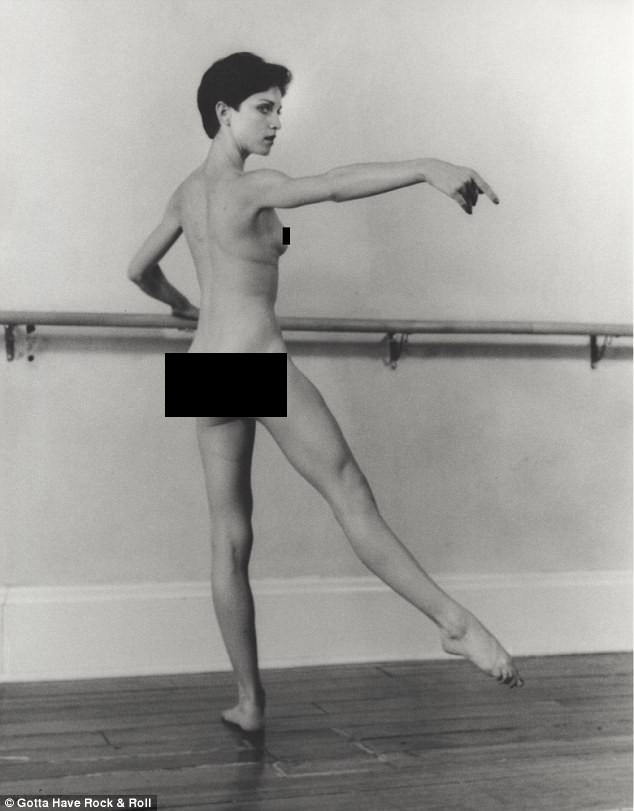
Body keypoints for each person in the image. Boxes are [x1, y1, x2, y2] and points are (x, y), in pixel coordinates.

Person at [128, 52, 524, 732]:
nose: (276, 122)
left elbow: (140, 269)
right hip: (254, 359)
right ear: (223, 113)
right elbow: (335, 186)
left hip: (205, 369)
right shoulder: (254, 188)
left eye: (280, 109)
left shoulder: (187, 195)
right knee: (350, 494)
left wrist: (185, 307)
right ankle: (454, 623)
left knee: (228, 542)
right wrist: (427, 167)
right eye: (264, 108)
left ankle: (249, 703)